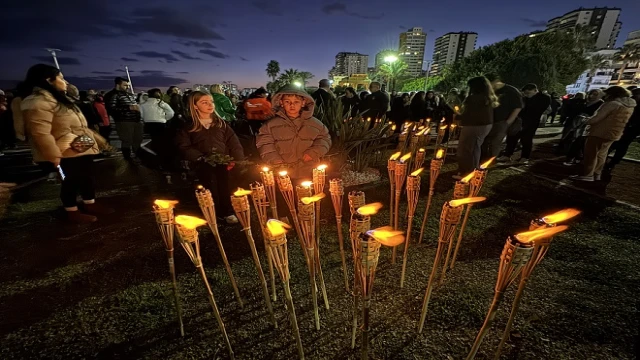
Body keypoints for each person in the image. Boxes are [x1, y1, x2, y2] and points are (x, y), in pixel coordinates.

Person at [21, 64, 113, 223]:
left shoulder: (59, 99)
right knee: (70, 181)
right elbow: (40, 132)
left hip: (80, 146)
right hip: (63, 150)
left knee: (87, 177)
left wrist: (99, 140)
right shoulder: (37, 101)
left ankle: (89, 203)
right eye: (61, 78)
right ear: (49, 80)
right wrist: (53, 155)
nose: (65, 82)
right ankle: (72, 211)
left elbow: (80, 127)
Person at [175, 91, 244, 224]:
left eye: (211, 102)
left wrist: (237, 158)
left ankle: (227, 212)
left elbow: (233, 142)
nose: (210, 105)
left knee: (225, 187)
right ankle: (211, 212)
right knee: (208, 189)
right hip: (202, 163)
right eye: (204, 102)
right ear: (195, 106)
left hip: (223, 162)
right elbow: (183, 146)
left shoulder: (221, 123)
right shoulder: (189, 126)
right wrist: (199, 158)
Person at [256, 84, 331, 179]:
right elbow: (264, 144)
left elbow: (325, 139)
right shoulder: (270, 125)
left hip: (310, 172)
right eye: (287, 102)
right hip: (283, 174)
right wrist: (275, 161)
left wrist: (313, 153)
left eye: (296, 102)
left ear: (303, 103)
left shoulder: (315, 124)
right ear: (281, 102)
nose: (292, 105)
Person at [570, 86, 636, 181]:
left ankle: (587, 174)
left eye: (607, 94)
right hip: (614, 133)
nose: (605, 96)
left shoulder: (612, 104)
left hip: (599, 132)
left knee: (591, 154)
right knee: (601, 154)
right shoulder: (628, 106)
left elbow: (596, 119)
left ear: (612, 94)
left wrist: (585, 120)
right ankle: (597, 174)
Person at [455, 76, 498, 178]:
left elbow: (467, 113)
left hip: (474, 126)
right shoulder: (487, 97)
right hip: (483, 125)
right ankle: (470, 169)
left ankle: (469, 172)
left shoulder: (475, 98)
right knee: (473, 148)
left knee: (468, 149)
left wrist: (458, 113)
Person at [501, 84, 551, 164]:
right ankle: (507, 155)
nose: (527, 95)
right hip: (519, 121)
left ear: (535, 90)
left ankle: (525, 157)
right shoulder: (524, 98)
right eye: (525, 93)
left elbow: (537, 110)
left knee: (526, 140)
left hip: (531, 122)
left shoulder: (544, 98)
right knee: (512, 138)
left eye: (528, 93)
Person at [481, 73, 523, 160]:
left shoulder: (511, 91)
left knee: (495, 143)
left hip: (502, 121)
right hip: (488, 121)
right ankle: (482, 160)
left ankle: (491, 161)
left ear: (496, 81)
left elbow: (517, 107)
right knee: (484, 142)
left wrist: (507, 122)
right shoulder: (489, 91)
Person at [563, 89, 604, 165]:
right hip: (578, 124)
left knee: (581, 142)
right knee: (575, 140)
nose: (591, 96)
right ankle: (573, 157)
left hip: (588, 126)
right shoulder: (584, 102)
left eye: (595, 95)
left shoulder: (600, 104)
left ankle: (576, 158)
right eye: (591, 94)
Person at [105, 77, 143, 160]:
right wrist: (128, 108)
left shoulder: (129, 95)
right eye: (125, 85)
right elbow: (111, 109)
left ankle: (137, 157)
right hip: (124, 121)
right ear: (118, 85)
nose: (128, 87)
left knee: (138, 140)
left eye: (128, 85)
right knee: (127, 140)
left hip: (136, 120)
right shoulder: (112, 95)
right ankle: (128, 159)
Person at [606, 88, 640, 171]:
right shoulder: (631, 103)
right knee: (619, 145)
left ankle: (610, 162)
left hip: (629, 128)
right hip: (629, 128)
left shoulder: (630, 103)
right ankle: (610, 162)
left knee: (617, 144)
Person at [141, 88, 174, 160]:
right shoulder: (161, 103)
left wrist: (145, 119)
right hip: (160, 124)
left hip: (148, 124)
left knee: (154, 139)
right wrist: (165, 118)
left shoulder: (143, 104)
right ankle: (162, 156)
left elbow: (141, 114)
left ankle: (154, 154)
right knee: (162, 141)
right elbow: (171, 113)